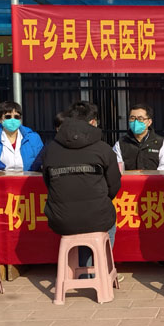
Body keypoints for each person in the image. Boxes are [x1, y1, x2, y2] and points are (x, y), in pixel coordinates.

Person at [39, 101, 122, 275]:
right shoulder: (103, 149)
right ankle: (97, 272)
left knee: (84, 219)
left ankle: (82, 271)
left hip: (61, 220)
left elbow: (48, 183)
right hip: (97, 217)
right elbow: (114, 185)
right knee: (100, 220)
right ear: (93, 122)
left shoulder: (50, 149)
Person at [0, 100, 44, 172]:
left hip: (27, 178)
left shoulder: (33, 138)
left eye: (16, 117)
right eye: (8, 117)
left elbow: (42, 162)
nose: (12, 120)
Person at [113, 103, 164, 171]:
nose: (136, 122)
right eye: (132, 118)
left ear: (149, 122)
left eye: (140, 119)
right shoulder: (120, 144)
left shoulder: (161, 143)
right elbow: (116, 169)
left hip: (153, 178)